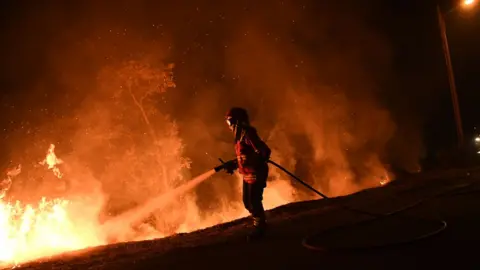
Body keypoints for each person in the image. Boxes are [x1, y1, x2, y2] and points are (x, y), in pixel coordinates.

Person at [219, 107, 271, 240]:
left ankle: (260, 229)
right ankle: (259, 225)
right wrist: (233, 164)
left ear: (237, 121)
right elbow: (244, 156)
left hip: (255, 173)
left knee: (254, 201)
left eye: (230, 122)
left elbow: (264, 151)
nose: (229, 126)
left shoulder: (247, 134)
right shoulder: (239, 137)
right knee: (247, 202)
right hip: (247, 173)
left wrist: (258, 159)